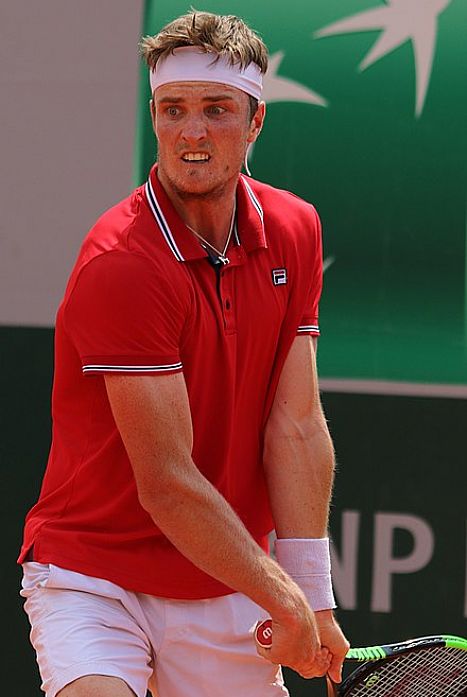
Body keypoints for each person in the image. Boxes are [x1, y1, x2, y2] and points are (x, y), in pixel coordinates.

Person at [19, 10, 349, 697]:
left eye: (215, 110)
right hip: (95, 573)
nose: (191, 132)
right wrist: (285, 598)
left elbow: (295, 426)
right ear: (154, 118)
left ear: (255, 121)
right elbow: (166, 480)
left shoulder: (295, 228)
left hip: (222, 578)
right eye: (172, 111)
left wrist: (313, 596)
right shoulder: (122, 262)